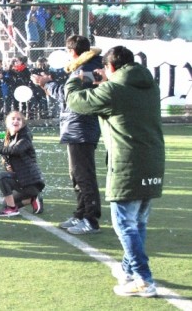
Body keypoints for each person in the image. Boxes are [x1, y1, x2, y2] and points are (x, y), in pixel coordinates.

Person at [65, 46, 164, 298]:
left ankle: (143, 279)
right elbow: (118, 97)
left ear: (110, 67)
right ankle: (128, 270)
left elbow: (78, 102)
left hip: (127, 165)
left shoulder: (113, 90)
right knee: (138, 222)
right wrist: (102, 81)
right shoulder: (150, 86)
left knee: (124, 225)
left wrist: (75, 80)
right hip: (152, 162)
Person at [32, 35, 102, 235]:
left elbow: (69, 97)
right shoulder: (86, 67)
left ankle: (91, 219)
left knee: (84, 175)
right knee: (77, 175)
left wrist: (46, 84)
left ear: (72, 52)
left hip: (82, 127)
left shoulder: (87, 69)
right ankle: (80, 214)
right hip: (77, 127)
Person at [0, 111, 45, 217]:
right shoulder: (10, 138)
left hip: (31, 182)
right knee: (4, 204)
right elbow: (10, 158)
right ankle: (32, 199)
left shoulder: (25, 136)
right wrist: (8, 167)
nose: (16, 121)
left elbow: (16, 150)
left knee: (1, 177)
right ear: (7, 123)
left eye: (19, 119)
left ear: (23, 123)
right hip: (22, 180)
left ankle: (12, 209)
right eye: (13, 119)